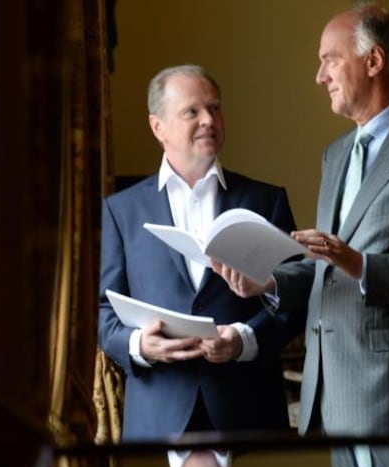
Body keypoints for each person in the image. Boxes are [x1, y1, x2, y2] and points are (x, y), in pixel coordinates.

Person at [213, 5, 389, 437]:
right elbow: (330, 268)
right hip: (324, 392)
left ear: (373, 61)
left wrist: (363, 265)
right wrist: (270, 282)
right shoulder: (335, 154)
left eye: (330, 59)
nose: (320, 76)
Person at [99, 64, 304, 441]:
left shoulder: (265, 200)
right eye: (192, 111)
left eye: (214, 108)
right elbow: (101, 311)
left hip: (248, 413)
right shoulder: (120, 210)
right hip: (157, 419)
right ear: (157, 126)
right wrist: (138, 345)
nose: (209, 119)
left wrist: (244, 339)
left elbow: (294, 300)